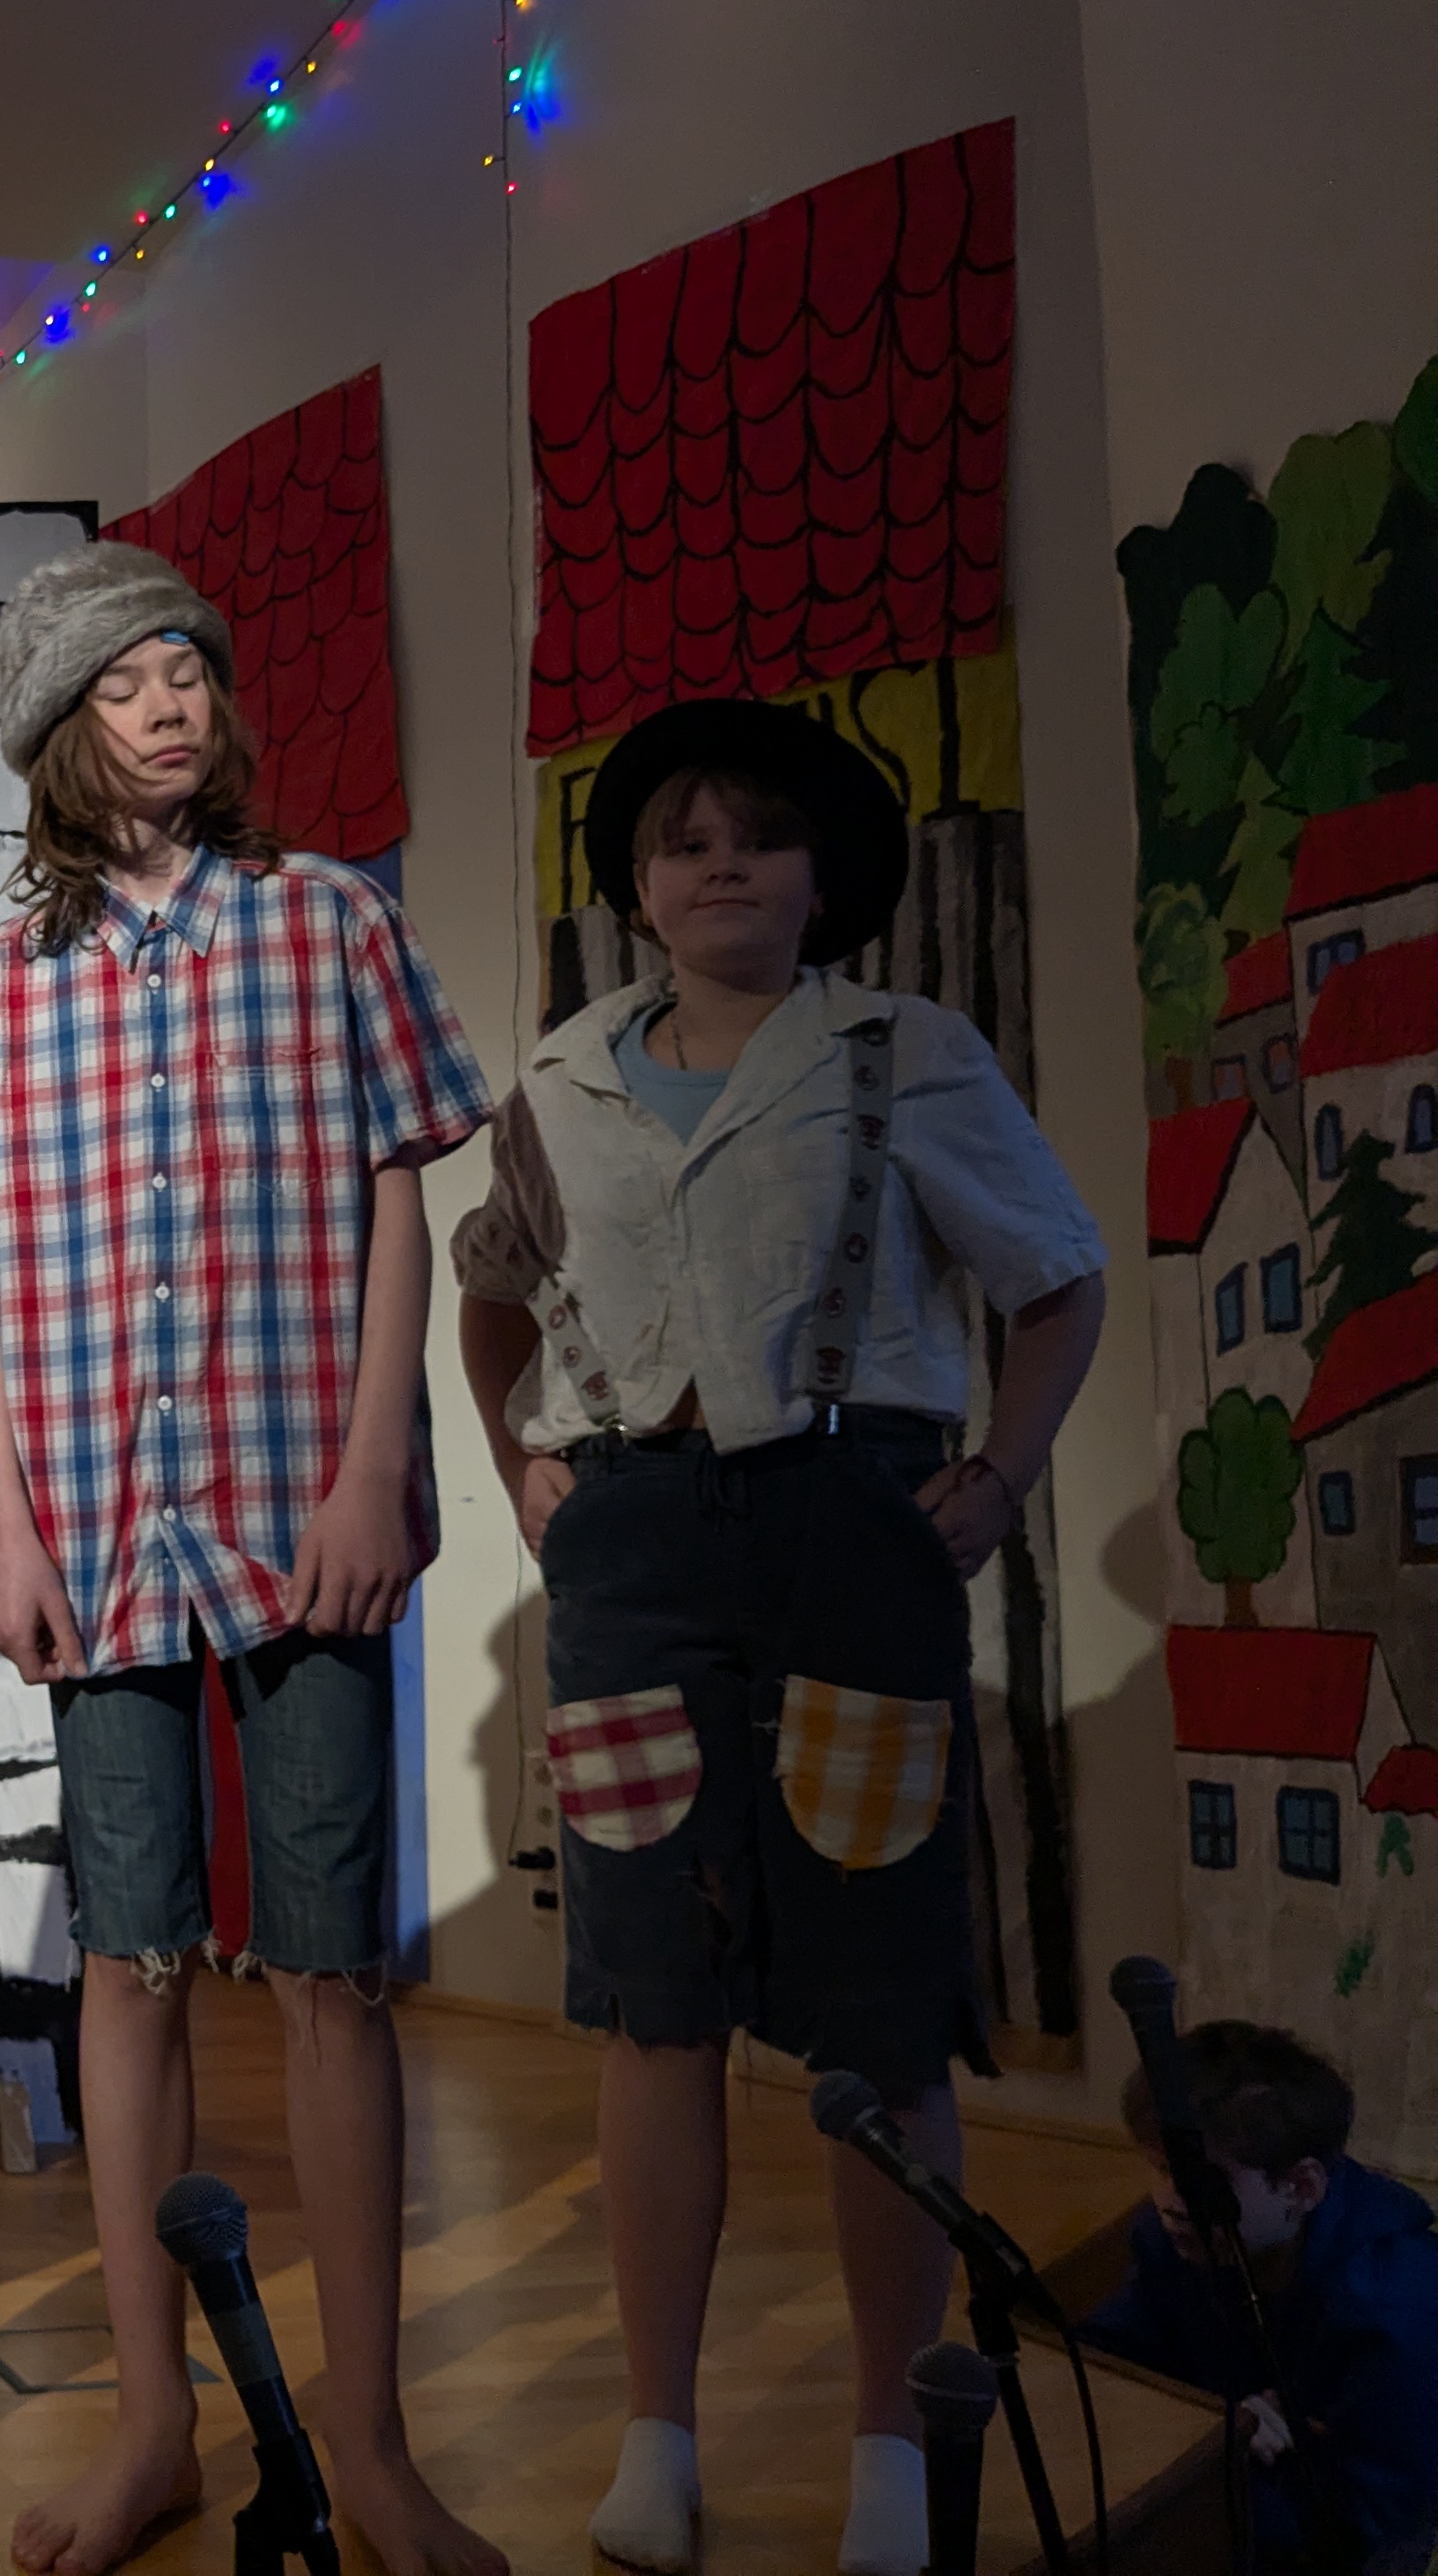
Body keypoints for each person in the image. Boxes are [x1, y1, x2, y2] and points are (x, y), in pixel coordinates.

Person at [447, 698, 1107, 2576]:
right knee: (653, 1992)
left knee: (878, 1998)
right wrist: (518, 1464)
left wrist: (998, 1475)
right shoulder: (561, 1078)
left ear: (823, 878)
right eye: (682, 839)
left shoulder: (903, 1050)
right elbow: (493, 1292)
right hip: (633, 1546)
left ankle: (892, 2435)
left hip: (849, 1525)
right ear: (638, 886)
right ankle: (656, 2432)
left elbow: (1057, 1279)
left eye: (757, 835)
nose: (718, 862)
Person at [0, 542, 499, 2576]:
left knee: (331, 1966)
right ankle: (155, 2421)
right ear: (60, 736)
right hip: (94, 1528)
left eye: (190, 673)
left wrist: (374, 1468)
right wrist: (10, 1526)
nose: (171, 705)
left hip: (298, 1506)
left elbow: (404, 1202)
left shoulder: (330, 925)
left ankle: (371, 2443)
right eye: (126, 683)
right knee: (132, 1957)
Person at [1080, 2020, 1438, 2572]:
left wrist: (1224, 2459)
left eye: (1202, 2179)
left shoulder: (1391, 2303)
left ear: (1302, 2187)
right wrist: (1215, 2433)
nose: (1169, 2200)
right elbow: (1111, 2364)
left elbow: (1374, 2511)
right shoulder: (1180, 2240)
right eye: (1162, 2169)